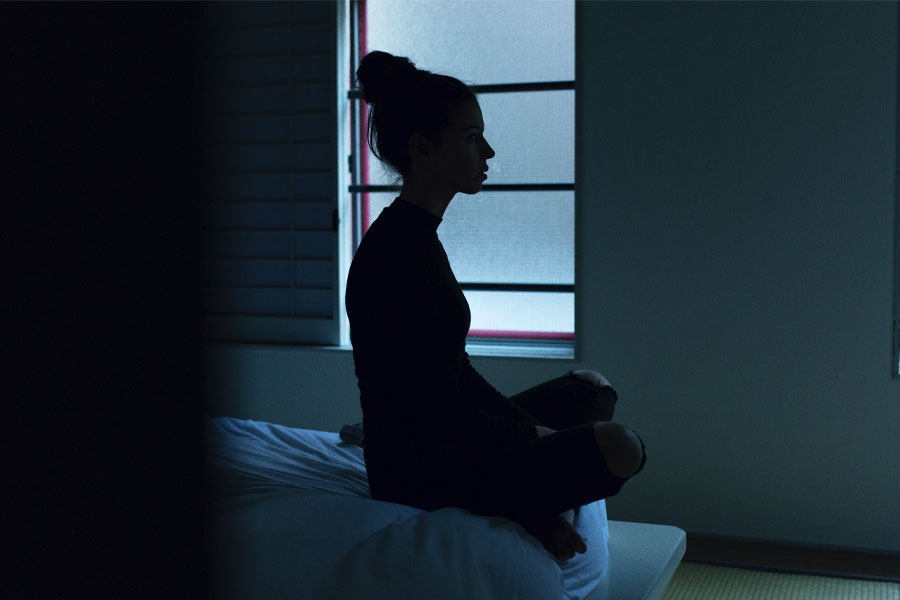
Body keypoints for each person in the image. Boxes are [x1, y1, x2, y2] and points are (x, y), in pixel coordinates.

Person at [345, 51, 646, 561]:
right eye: (471, 137)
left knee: (590, 387)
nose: (487, 151)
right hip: (418, 470)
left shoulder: (417, 236)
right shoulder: (393, 257)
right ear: (423, 149)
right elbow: (436, 411)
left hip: (449, 437)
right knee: (622, 447)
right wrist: (534, 434)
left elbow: (457, 373)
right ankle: (540, 510)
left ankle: (540, 507)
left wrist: (531, 431)